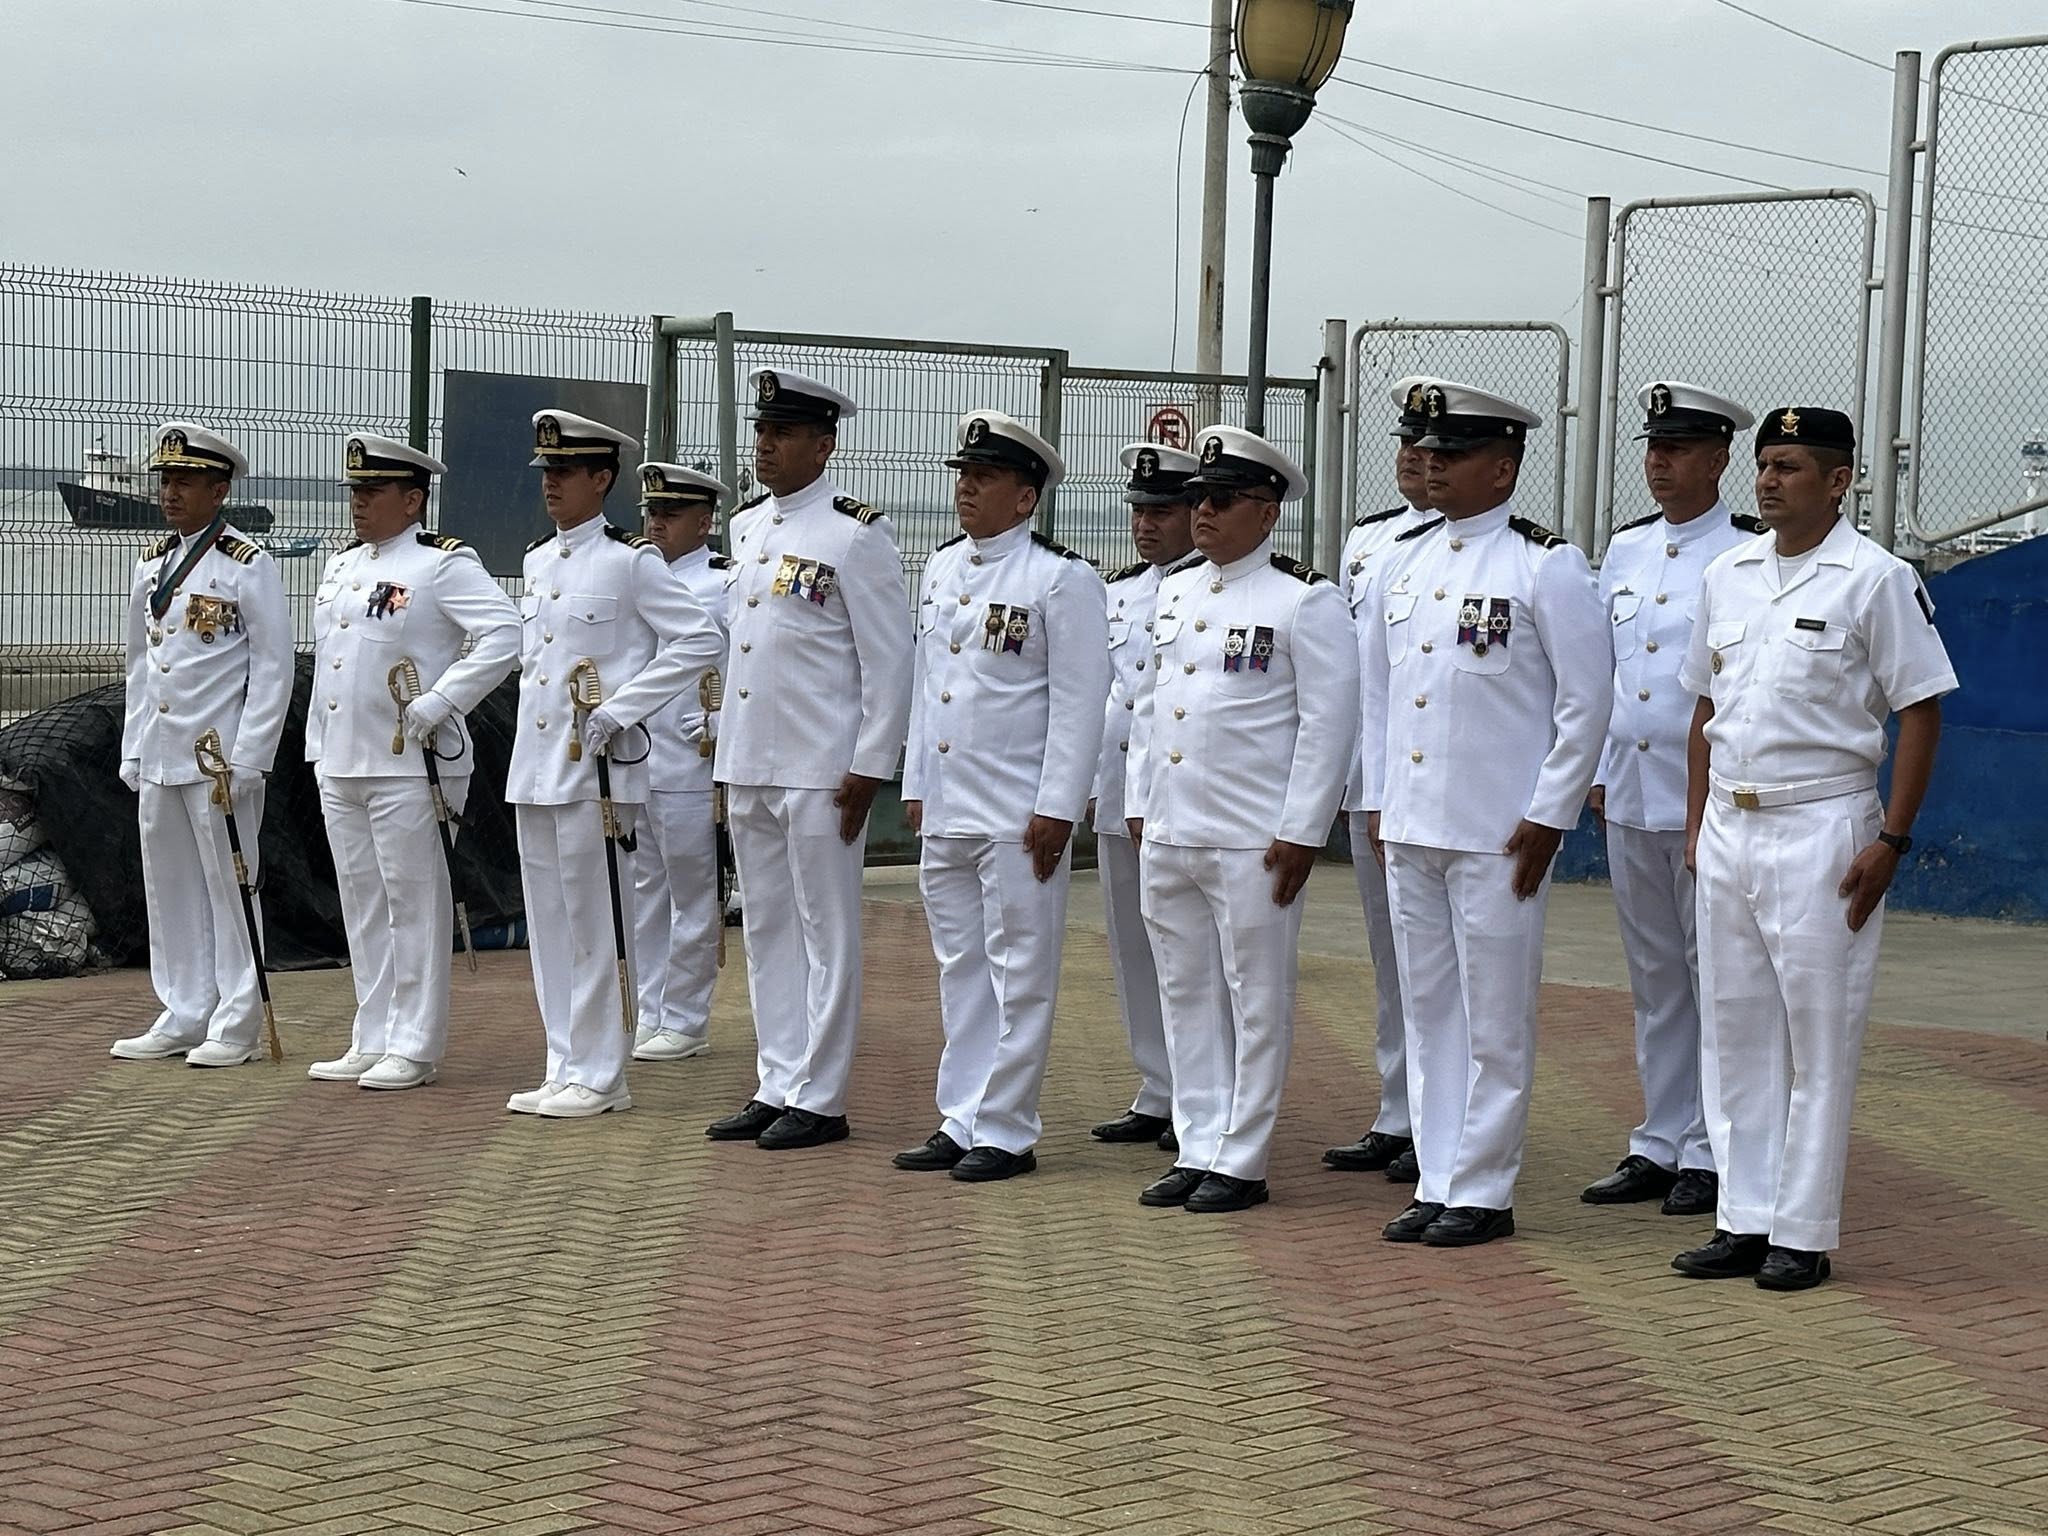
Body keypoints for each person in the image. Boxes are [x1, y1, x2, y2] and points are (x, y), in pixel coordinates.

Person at [1673, 406, 1954, 1292]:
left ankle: (1801, 1233)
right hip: (1731, 824)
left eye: (1789, 466)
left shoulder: (1875, 580)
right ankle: (1743, 1218)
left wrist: (1893, 839)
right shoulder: (1727, 574)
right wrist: (1695, 824)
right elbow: (1704, 707)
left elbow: (1921, 710)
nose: (1768, 480)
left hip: (1824, 825)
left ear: (1838, 482)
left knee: (1818, 1040)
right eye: (1763, 464)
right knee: (1734, 1031)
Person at [1358, 380, 1609, 1247]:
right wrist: (1381, 803)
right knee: (1430, 1011)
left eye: (1453, 454)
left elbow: (1586, 703)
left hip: (1500, 830)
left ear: (1502, 469)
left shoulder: (1545, 565)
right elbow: (1379, 697)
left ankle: (1485, 1188)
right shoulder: (1400, 560)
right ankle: (1437, 1177)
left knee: (1494, 1019)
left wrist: (1550, 814)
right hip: (1414, 824)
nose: (1431, 465)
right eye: (1426, 450)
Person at [1127, 425, 1357, 1213]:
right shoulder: (1178, 589)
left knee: (1256, 1000)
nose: (1204, 512)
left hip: (1254, 837)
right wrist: (1140, 804)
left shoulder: (1304, 599)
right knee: (1185, 994)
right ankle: (1197, 1144)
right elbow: (1152, 706)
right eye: (1199, 498)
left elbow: (1328, 724)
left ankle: (1244, 1156)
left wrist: (1302, 831)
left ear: (1267, 511)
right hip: (1173, 829)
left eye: (1223, 500)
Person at [894, 412, 1110, 1181]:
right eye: (963, 475)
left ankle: (1008, 1128)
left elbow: (1080, 702)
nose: (966, 488)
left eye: (984, 478)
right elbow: (930, 684)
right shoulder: (942, 566)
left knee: (1019, 971)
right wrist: (917, 781)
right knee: (960, 966)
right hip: (949, 803)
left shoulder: (1060, 578)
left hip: (1019, 810)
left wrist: (1058, 807)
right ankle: (961, 1115)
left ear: (1025, 498)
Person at [707, 368, 913, 1150]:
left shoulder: (855, 534)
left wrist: (870, 766)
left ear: (823, 446)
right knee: (766, 928)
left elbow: (889, 660)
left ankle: (821, 1096)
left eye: (785, 434)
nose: (766, 445)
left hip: (822, 766)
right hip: (751, 759)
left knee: (827, 933)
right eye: (762, 431)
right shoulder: (746, 528)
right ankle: (777, 1080)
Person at [503, 410, 723, 1119]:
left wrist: (623, 708)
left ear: (601, 479)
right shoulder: (539, 560)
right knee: (550, 927)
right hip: (538, 766)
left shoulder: (632, 560)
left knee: (598, 924)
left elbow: (699, 638)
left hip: (597, 768)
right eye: (547, 471)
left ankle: (602, 1073)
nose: (552, 483)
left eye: (566, 471)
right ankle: (562, 1062)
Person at [1581, 383, 1760, 1213]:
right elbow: (1605, 671)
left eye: (1679, 449)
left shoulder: (1746, 553)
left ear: (1718, 460)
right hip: (1630, 786)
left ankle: (1711, 1151)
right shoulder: (1625, 550)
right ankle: (1659, 1137)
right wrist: (1595, 768)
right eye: (1654, 448)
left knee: (1712, 974)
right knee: (1655, 976)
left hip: (1704, 794)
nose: (1660, 463)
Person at [304, 433, 520, 1090]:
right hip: (343, 756)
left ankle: (414, 1043)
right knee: (363, 903)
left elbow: (504, 633)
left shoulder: (441, 565)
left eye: (373, 491)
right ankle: (372, 1034)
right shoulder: (342, 566)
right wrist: (319, 748)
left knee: (413, 902)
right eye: (355, 490)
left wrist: (443, 699)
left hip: (412, 760)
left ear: (412, 499)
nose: (359, 502)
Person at [111, 423, 292, 1068]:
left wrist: (252, 755)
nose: (170, 492)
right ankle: (184, 1009)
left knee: (230, 885)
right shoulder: (152, 564)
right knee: (170, 885)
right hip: (161, 751)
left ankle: (238, 1020)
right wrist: (134, 748)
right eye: (166, 480)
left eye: (185, 481)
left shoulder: (246, 563)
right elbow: (141, 663)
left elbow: (273, 665)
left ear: (219, 491)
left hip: (218, 757)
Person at [1324, 379, 1436, 1184]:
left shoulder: (1483, 549)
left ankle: (1437, 1121)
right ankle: (1397, 1109)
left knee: (1438, 967)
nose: (1415, 460)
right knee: (1389, 959)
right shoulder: (1367, 540)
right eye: (1406, 444)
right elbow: (1351, 674)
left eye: (1431, 448)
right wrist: (1351, 784)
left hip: (1431, 785)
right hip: (1372, 779)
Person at [1087, 443, 1203, 1153]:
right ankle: (1156, 1087)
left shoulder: (1213, 586)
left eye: (1161, 512)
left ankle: (1199, 1093)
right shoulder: (1120, 591)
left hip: (1181, 797)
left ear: (1196, 511)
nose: (1144, 524)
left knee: (1189, 955)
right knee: (1132, 946)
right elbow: (1099, 690)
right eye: (1138, 511)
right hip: (1116, 790)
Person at [629, 462, 733, 1066]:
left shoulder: (723, 582)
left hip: (693, 758)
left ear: (704, 521)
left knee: (693, 895)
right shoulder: (637, 573)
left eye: (671, 513)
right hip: (639, 756)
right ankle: (650, 1010)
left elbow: (747, 660)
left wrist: (727, 722)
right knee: (646, 892)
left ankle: (687, 1018)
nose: (657, 523)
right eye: (652, 512)